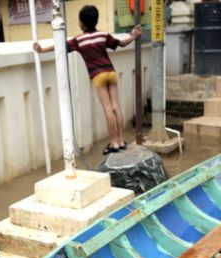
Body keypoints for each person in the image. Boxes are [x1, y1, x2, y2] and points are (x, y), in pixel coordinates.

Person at [33, 5, 142, 155]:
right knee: (116, 107)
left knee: (108, 109)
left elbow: (59, 46)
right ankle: (122, 141)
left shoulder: (79, 40)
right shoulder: (103, 35)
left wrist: (41, 49)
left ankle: (114, 143)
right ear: (96, 20)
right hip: (111, 72)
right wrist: (134, 36)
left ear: (81, 23)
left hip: (98, 76)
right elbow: (122, 43)